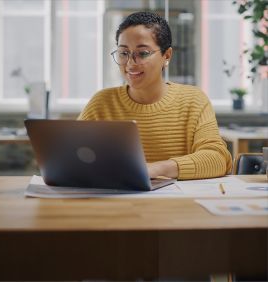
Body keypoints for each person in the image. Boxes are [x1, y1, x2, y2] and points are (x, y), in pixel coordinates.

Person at [78, 11, 232, 180]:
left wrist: (155, 169)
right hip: (116, 201)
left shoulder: (193, 100)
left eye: (142, 53)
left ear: (166, 56)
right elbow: (71, 156)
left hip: (176, 205)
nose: (130, 63)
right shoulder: (102, 103)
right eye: (123, 53)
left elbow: (217, 159)